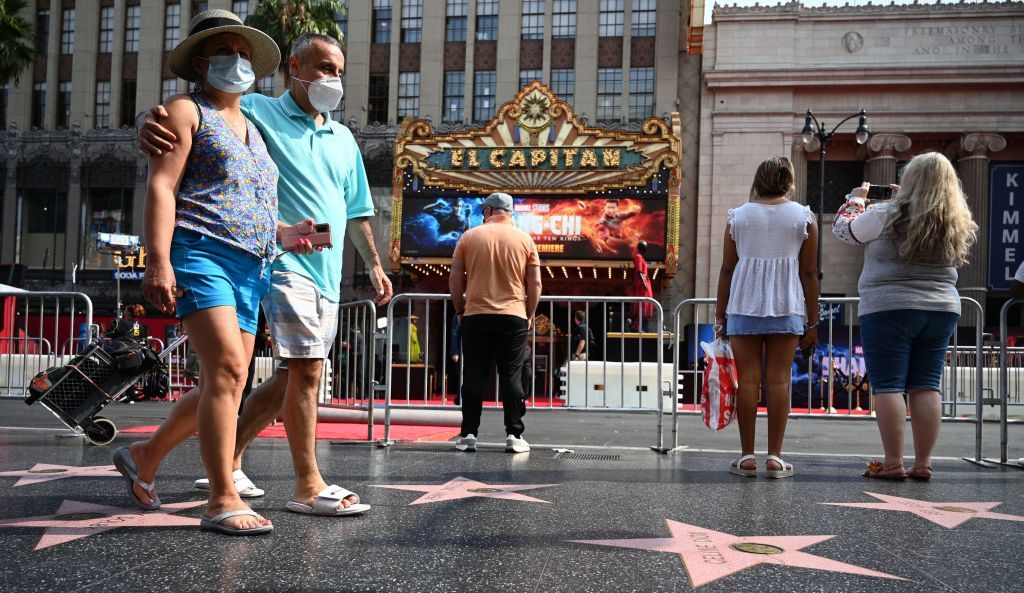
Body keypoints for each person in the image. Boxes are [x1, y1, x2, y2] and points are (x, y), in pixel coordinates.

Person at [139, 32, 393, 516]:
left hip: (318, 270)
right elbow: (196, 114)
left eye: (339, 71)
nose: (332, 80)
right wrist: (146, 122)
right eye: (322, 68)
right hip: (273, 263)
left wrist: (376, 267)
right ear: (293, 67)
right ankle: (306, 483)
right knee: (299, 370)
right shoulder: (260, 112)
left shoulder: (342, 138)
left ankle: (190, 458)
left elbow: (358, 212)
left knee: (272, 376)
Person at [114, 10, 283, 536]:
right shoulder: (185, 111)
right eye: (225, 51)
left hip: (253, 264)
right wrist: (157, 259)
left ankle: (146, 453)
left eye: (243, 52)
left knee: (224, 380)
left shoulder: (253, 126)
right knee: (231, 372)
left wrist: (288, 233)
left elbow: (246, 198)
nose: (237, 61)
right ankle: (220, 497)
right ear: (201, 60)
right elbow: (163, 186)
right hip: (199, 252)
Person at [832, 152, 977, 481]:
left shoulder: (886, 213)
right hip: (941, 308)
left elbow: (845, 231)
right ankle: (923, 463)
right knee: (926, 387)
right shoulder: (955, 220)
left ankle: (893, 462)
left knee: (888, 386)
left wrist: (856, 200)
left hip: (889, 307)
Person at [715, 156, 819, 479]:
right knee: (778, 381)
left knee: (747, 380)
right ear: (789, 182)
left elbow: (728, 269)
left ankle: (747, 456)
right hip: (787, 305)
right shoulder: (803, 217)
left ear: (758, 181)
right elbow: (809, 273)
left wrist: (720, 315)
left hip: (743, 305)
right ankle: (775, 457)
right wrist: (812, 322)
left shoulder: (738, 217)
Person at [449, 192, 542, 453]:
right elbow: (534, 283)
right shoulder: (525, 240)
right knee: (511, 376)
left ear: (488, 210)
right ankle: (514, 434)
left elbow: (455, 279)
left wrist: (459, 309)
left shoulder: (469, 237)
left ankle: (468, 434)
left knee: (474, 375)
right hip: (513, 315)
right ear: (510, 212)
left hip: (475, 314)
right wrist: (530, 313)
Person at [627, 241, 655, 332]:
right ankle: (636, 327)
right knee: (642, 305)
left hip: (643, 282)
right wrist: (644, 284)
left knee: (643, 304)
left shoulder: (641, 257)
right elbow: (639, 272)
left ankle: (638, 326)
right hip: (641, 283)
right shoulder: (638, 257)